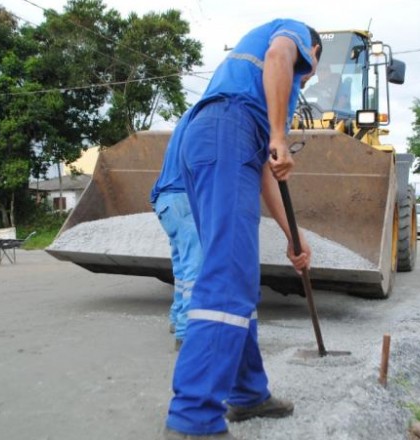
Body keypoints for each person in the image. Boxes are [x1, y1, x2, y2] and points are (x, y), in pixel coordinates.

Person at [163, 19, 322, 440]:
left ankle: (248, 393)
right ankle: (193, 417)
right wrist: (278, 133)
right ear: (313, 50)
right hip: (225, 134)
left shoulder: (252, 93)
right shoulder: (291, 34)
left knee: (236, 272)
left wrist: (294, 237)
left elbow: (268, 173)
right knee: (229, 276)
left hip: (211, 140)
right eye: (310, 69)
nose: (305, 77)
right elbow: (278, 57)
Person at [150, 111, 201, 351]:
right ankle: (186, 334)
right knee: (195, 266)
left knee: (182, 267)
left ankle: (175, 318)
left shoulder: (187, 120)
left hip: (165, 201)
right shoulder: (207, 119)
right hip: (183, 199)